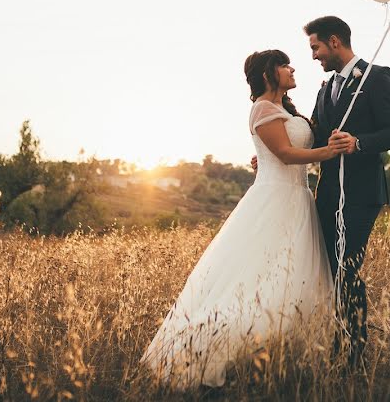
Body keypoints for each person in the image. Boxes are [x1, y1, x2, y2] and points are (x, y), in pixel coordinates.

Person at [141, 49, 343, 389]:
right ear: (269, 73)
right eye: (284, 64)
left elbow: (280, 148)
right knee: (255, 276)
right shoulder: (262, 107)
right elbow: (285, 153)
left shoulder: (284, 110)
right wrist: (329, 152)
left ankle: (280, 357)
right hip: (274, 199)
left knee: (292, 276)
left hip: (299, 200)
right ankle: (211, 349)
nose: (293, 68)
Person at [254, 16, 390, 369]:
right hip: (326, 196)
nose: (313, 56)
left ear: (334, 42)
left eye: (315, 47)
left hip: (361, 194)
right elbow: (316, 138)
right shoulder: (325, 88)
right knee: (329, 270)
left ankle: (353, 353)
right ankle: (335, 342)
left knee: (344, 269)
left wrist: (358, 142)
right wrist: (271, 153)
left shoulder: (377, 76)